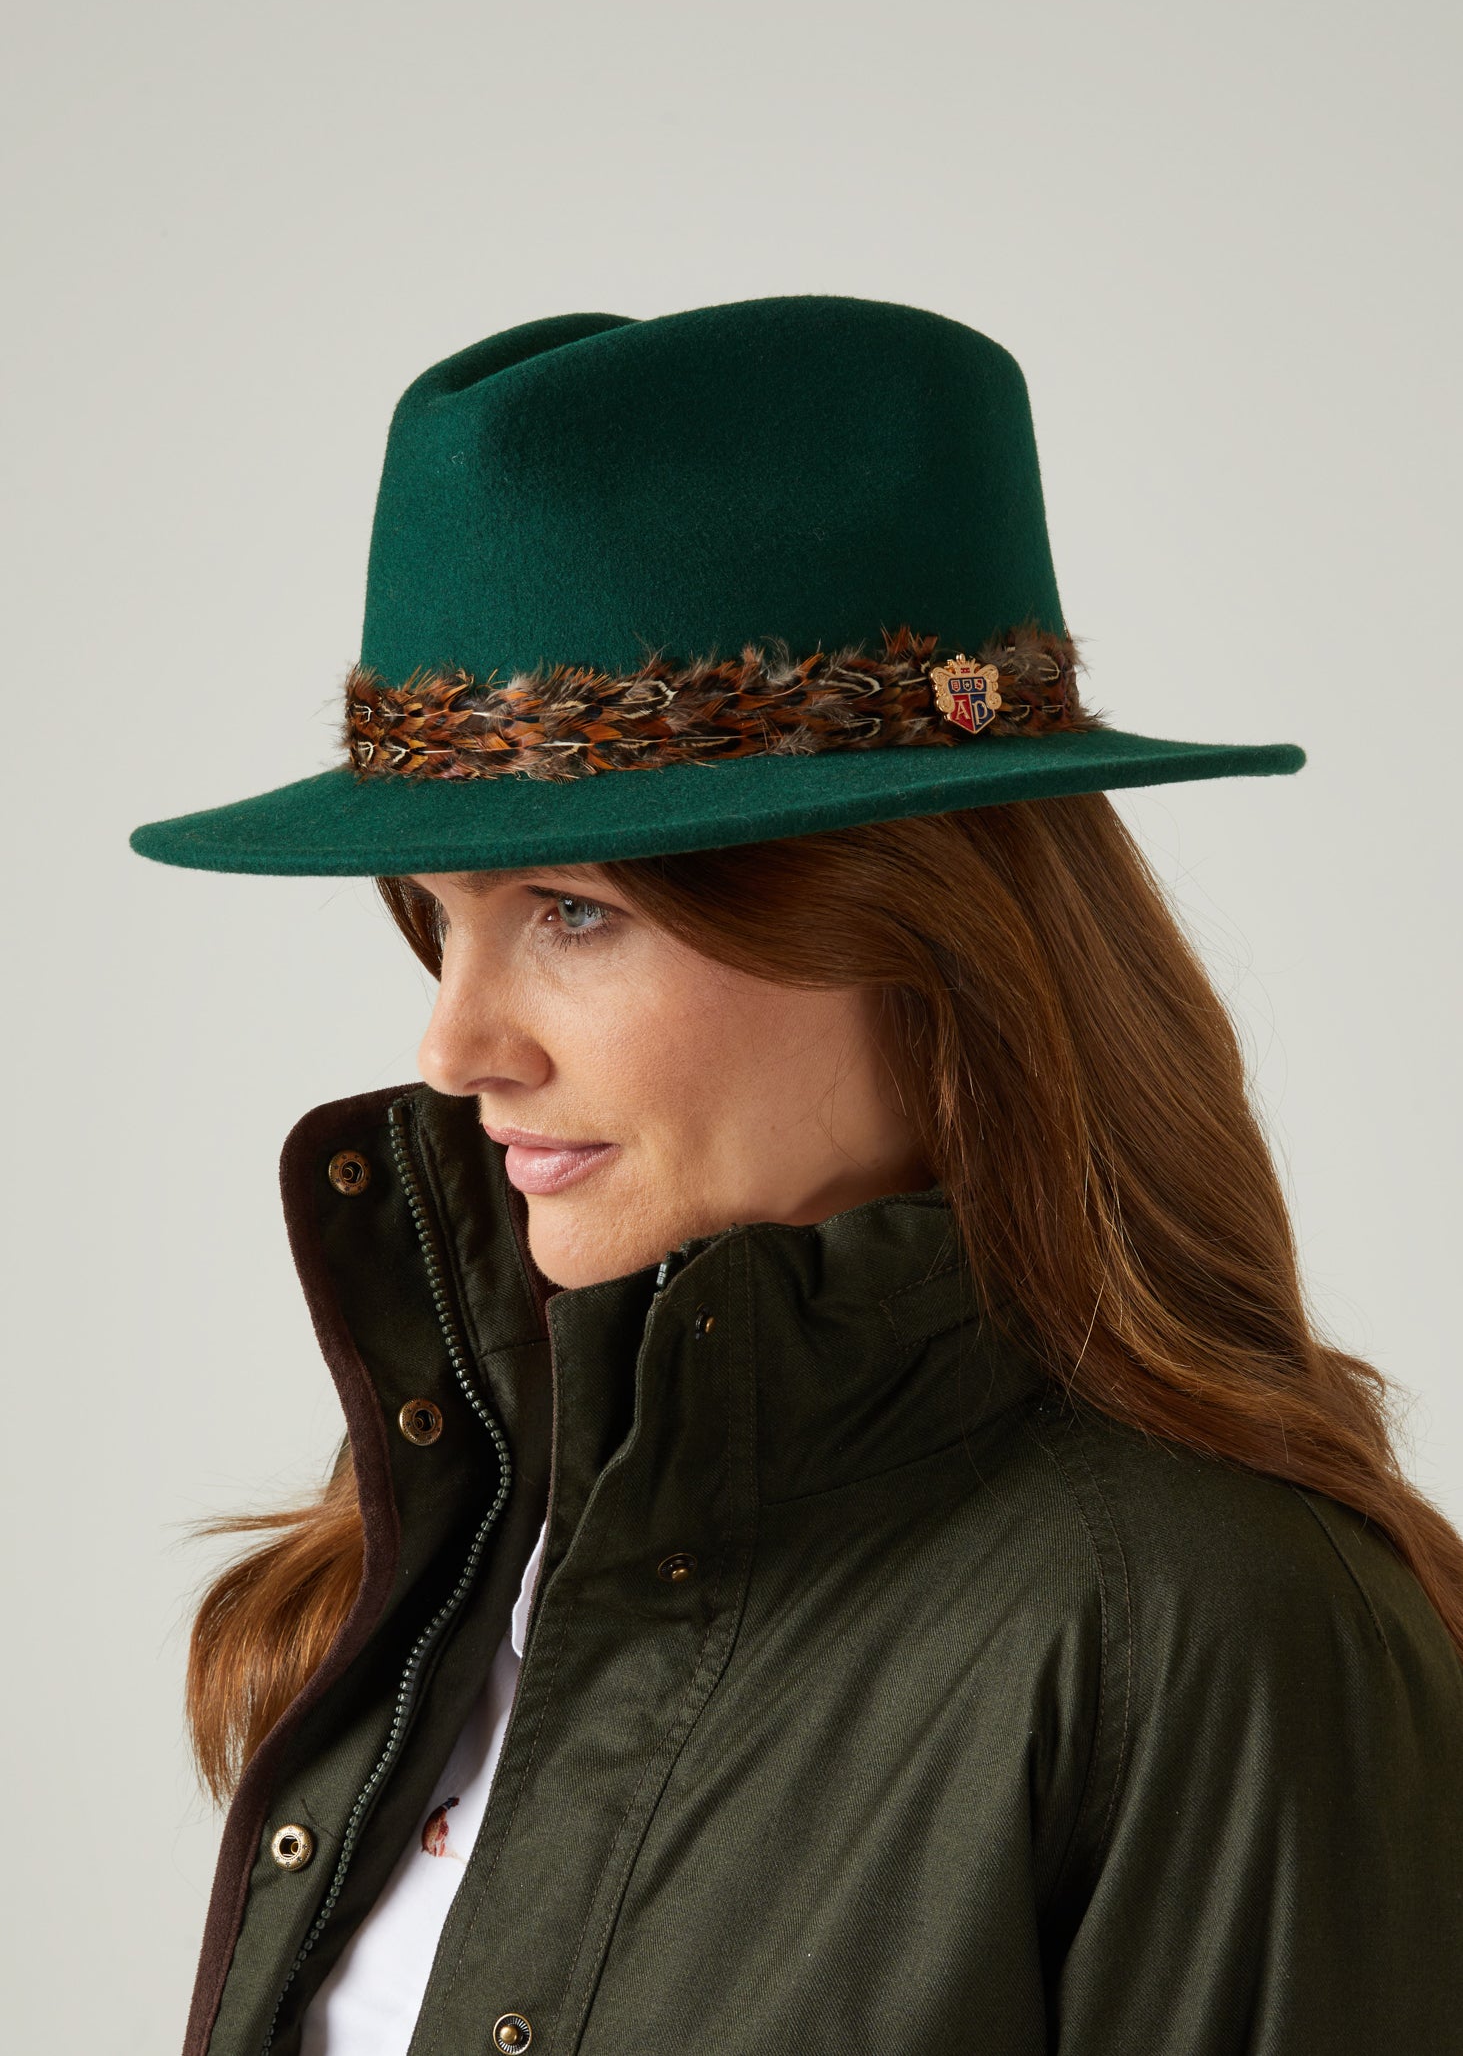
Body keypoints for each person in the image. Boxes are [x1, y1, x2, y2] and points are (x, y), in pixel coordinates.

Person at [131, 296, 1463, 2056]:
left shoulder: (1206, 1630)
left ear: (920, 929)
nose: (457, 1048)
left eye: (574, 911)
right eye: (439, 919)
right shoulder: (461, 1550)